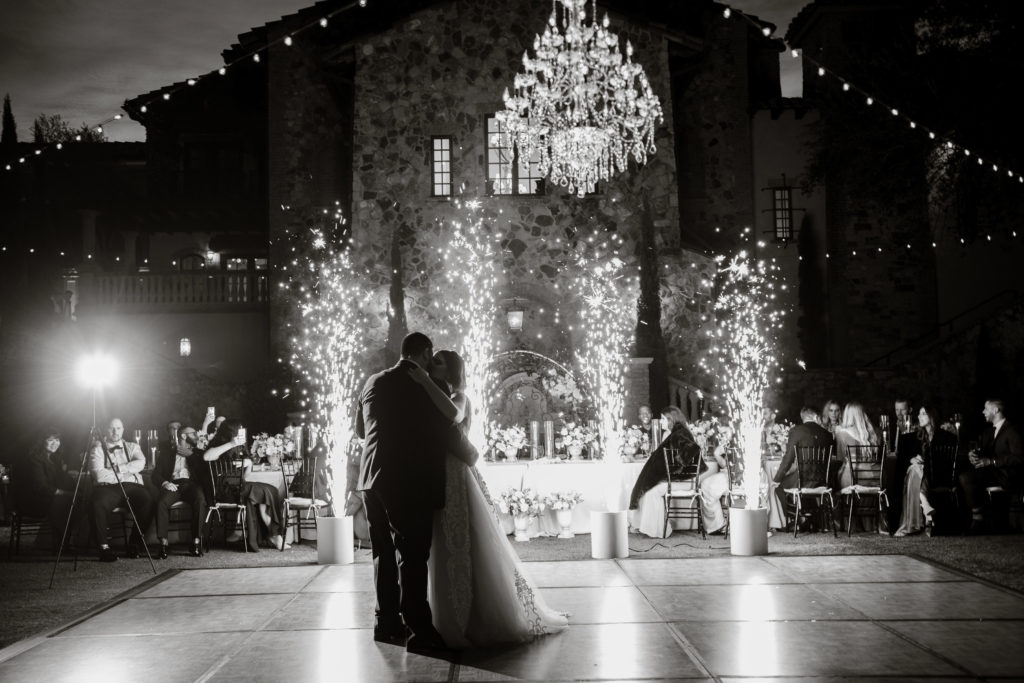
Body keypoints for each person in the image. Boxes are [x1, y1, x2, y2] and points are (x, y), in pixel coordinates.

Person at [411, 348, 568, 646]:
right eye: (431, 361)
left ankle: (473, 613)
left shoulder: (460, 397)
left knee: (466, 540)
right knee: (440, 543)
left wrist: (424, 380)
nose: (432, 364)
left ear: (452, 369)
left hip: (457, 475)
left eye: (438, 362)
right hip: (435, 474)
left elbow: (454, 415)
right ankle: (444, 611)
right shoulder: (433, 393)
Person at [355, 332, 480, 657]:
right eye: (432, 355)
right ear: (425, 353)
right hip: (409, 482)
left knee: (382, 553)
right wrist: (471, 455)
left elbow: (360, 430)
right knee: (412, 557)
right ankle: (420, 632)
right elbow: (448, 430)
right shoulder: (429, 386)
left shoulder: (373, 381)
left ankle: (387, 623)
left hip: (371, 480)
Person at [199, 419, 288, 551]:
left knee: (271, 489)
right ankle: (274, 535)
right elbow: (206, 457)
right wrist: (231, 443)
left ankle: (274, 534)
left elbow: (245, 478)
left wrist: (249, 464)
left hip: (240, 487)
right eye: (238, 429)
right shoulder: (220, 444)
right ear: (231, 431)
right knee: (263, 491)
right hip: (224, 490)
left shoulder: (240, 447)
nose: (241, 432)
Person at [87, 418, 155, 562]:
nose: (115, 431)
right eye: (112, 428)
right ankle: (104, 548)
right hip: (108, 488)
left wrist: (117, 469)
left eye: (118, 428)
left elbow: (141, 463)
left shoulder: (132, 447)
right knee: (97, 503)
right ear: (106, 430)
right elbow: (99, 476)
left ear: (123, 430)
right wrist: (126, 472)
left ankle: (134, 544)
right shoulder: (97, 449)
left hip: (132, 487)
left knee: (148, 500)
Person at [628, 405, 701, 538]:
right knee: (647, 489)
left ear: (671, 420)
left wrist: (669, 470)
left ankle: (659, 530)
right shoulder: (671, 434)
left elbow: (687, 455)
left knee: (651, 492)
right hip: (676, 478)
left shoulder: (679, 435)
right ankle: (643, 526)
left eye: (662, 419)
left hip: (685, 480)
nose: (660, 421)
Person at [12, 430, 87, 551]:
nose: (55, 443)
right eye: (50, 440)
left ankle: (64, 542)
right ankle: (62, 544)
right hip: (33, 501)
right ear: (42, 442)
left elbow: (60, 480)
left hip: (48, 498)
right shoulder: (34, 460)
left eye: (57, 440)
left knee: (78, 499)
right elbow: (42, 488)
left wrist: (71, 476)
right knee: (67, 502)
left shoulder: (54, 459)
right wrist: (68, 494)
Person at [960, 399, 1023, 533]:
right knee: (962, 476)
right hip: (991, 473)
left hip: (1005, 475)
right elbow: (982, 452)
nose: (983, 412)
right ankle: (970, 518)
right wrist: (973, 456)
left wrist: (992, 462)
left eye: (986, 408)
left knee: (967, 478)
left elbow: (1019, 458)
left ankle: (978, 518)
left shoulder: (1011, 431)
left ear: (996, 410)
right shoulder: (988, 432)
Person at [894, 405, 957, 537]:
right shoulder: (913, 437)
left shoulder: (946, 437)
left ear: (931, 416)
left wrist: (924, 462)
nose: (919, 416)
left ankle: (925, 508)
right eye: (919, 413)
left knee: (916, 469)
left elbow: (944, 462)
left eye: (923, 413)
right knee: (914, 468)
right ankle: (926, 508)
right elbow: (901, 459)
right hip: (921, 475)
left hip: (938, 475)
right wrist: (912, 459)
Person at [773, 406, 834, 529]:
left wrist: (777, 478)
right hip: (823, 481)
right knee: (799, 486)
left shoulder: (796, 431)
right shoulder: (827, 434)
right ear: (816, 417)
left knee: (778, 487)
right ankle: (810, 518)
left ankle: (795, 518)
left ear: (803, 418)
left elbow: (788, 458)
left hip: (803, 480)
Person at [152, 425, 207, 558]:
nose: (196, 436)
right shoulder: (167, 452)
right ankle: (163, 544)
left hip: (191, 485)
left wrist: (192, 455)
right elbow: (156, 475)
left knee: (200, 500)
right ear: (183, 436)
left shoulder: (198, 453)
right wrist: (165, 483)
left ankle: (196, 542)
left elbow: (204, 473)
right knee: (161, 503)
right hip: (173, 485)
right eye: (193, 433)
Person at [833, 402, 881, 489]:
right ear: (862, 415)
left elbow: (840, 458)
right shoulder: (871, 433)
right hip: (876, 476)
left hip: (852, 478)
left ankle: (847, 502)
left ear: (846, 415)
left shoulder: (842, 433)